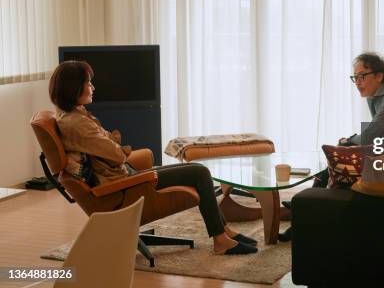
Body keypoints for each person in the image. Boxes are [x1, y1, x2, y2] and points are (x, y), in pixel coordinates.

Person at [49, 60, 257, 255]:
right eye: (88, 83)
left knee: (197, 172)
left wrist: (113, 145)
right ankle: (221, 240)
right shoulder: (78, 124)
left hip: (124, 177)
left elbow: (110, 150)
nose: (93, 87)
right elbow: (117, 154)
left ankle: (224, 232)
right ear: (73, 88)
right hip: (121, 186)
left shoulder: (72, 116)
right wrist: (115, 146)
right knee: (199, 172)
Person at [278, 52, 384, 241]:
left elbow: (371, 134)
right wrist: (350, 142)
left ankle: (305, 210)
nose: (358, 82)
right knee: (337, 157)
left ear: (379, 76)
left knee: (338, 155)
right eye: (355, 77)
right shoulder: (376, 95)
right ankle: (305, 210)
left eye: (362, 76)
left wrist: (348, 143)